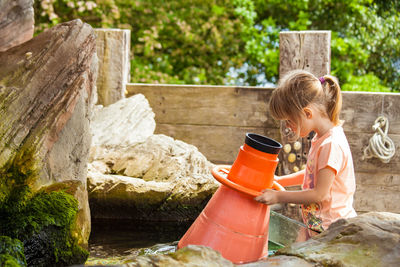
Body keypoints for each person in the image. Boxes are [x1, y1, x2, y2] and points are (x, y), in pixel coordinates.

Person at [255, 69, 357, 234]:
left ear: (307, 113)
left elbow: (319, 195)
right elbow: (313, 175)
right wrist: (280, 180)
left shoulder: (331, 145)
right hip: (316, 226)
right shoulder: (320, 138)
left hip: (333, 232)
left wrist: (278, 196)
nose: (288, 126)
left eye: (289, 120)